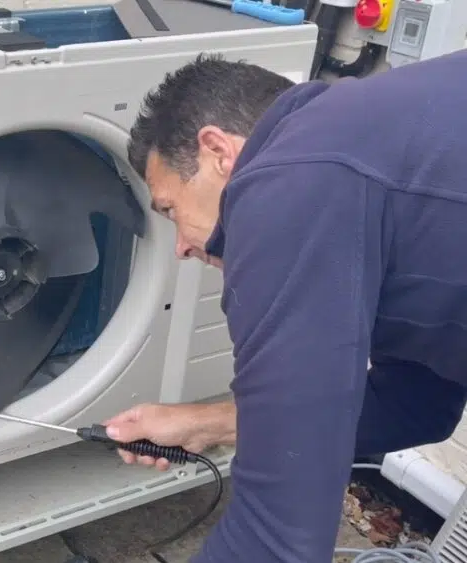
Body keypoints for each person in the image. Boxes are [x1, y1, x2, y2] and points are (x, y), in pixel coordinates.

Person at [103, 49, 467, 562]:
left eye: (171, 210)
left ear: (218, 152)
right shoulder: (364, 156)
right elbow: (415, 408)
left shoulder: (287, 179)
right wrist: (206, 423)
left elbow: (275, 540)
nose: (182, 246)